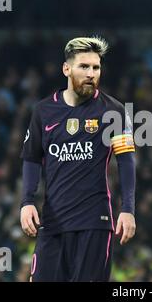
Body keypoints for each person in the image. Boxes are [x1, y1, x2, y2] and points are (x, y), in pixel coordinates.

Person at [20, 36, 136, 282]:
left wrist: (128, 209)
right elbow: (31, 158)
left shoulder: (113, 111)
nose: (91, 73)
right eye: (84, 66)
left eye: (96, 67)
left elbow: (126, 161)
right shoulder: (43, 111)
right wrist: (27, 201)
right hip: (53, 223)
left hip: (95, 222)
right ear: (66, 68)